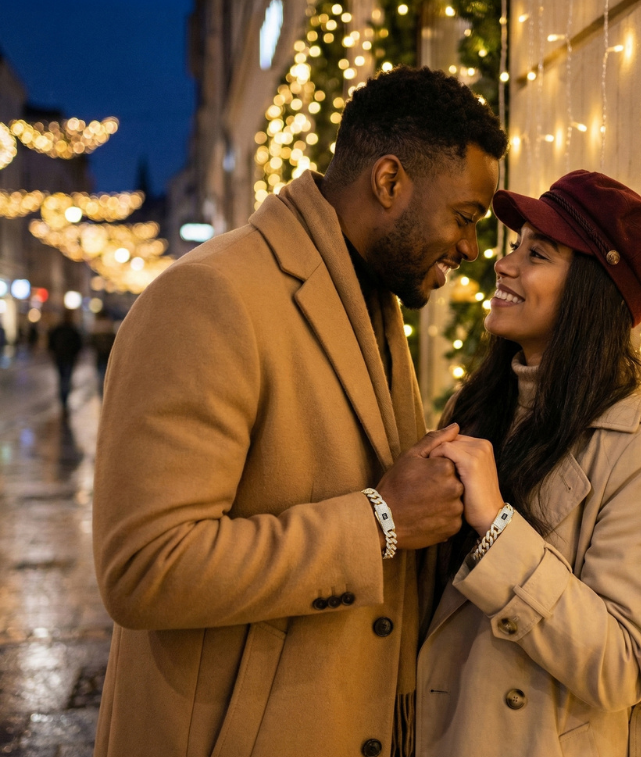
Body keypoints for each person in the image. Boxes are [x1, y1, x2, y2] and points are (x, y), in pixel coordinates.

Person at [92, 66, 507, 757]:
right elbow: (145, 568)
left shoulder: (371, 293)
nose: (470, 247)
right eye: (464, 217)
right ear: (389, 181)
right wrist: (381, 519)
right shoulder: (210, 297)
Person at [416, 171, 641, 757]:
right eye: (515, 246)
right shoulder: (476, 405)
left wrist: (498, 526)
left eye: (537, 254)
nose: (504, 264)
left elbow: (623, 666)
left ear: (593, 292)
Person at [48, 310, 83, 413]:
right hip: (67, 358)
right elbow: (79, 344)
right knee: (66, 379)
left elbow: (51, 343)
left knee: (62, 379)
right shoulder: (72, 330)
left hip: (61, 357)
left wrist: (53, 353)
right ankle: (64, 398)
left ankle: (63, 399)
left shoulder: (59, 329)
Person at [89, 310, 116, 398]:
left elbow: (91, 342)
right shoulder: (109, 327)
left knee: (100, 375)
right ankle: (106, 394)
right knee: (107, 376)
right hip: (108, 355)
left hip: (100, 355)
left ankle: (102, 395)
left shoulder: (96, 328)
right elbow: (114, 342)